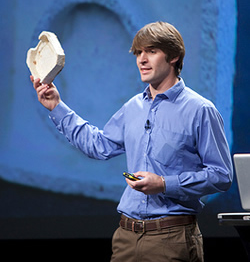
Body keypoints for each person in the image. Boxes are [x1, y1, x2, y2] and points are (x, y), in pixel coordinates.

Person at [31, 21, 233, 262]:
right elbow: (99, 145)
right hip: (126, 237)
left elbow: (221, 175)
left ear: (174, 57)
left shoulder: (200, 110)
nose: (142, 59)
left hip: (171, 237)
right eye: (138, 52)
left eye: (151, 51)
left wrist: (164, 183)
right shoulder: (133, 107)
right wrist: (56, 106)